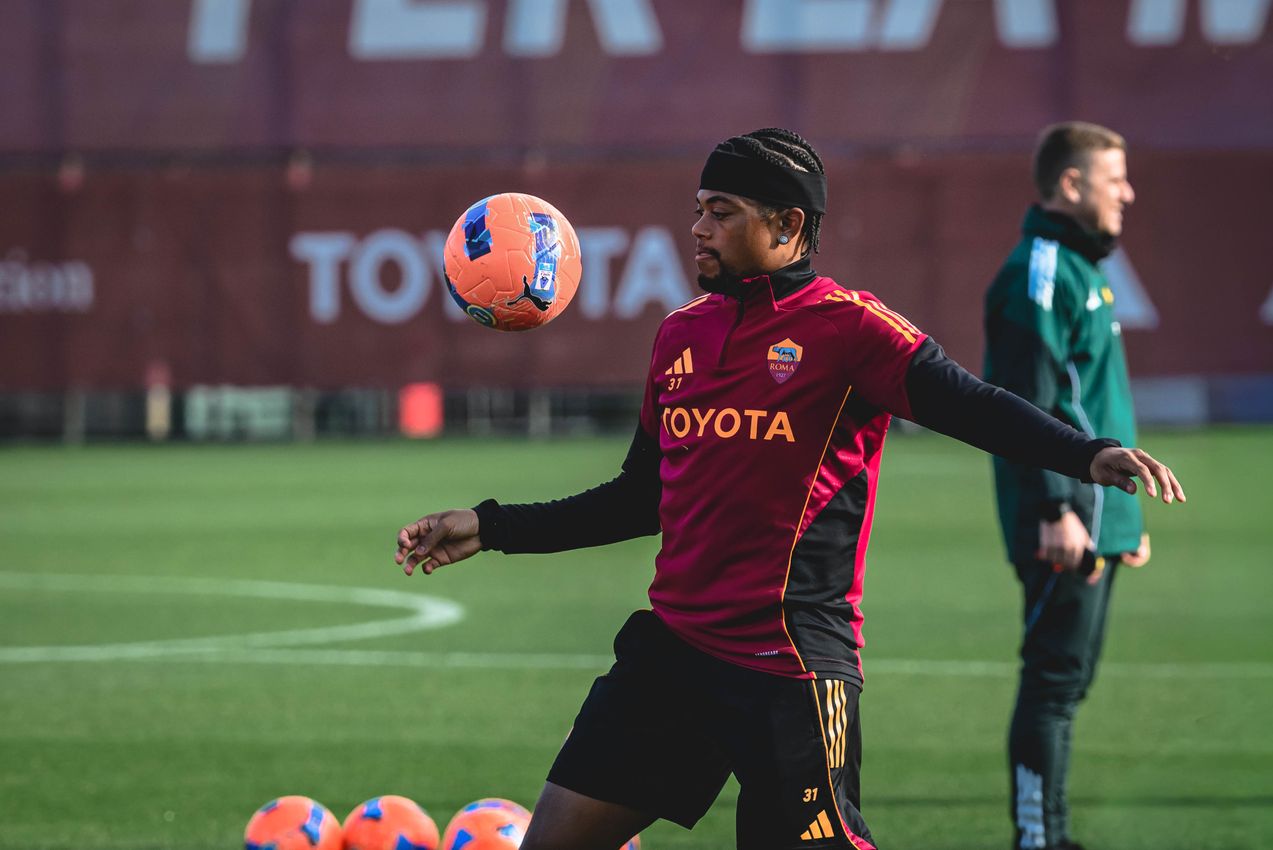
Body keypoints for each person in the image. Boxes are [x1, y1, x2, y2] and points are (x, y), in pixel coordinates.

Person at [396, 128, 1184, 850]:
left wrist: (1086, 455)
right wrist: (490, 526)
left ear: (787, 226)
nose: (698, 229)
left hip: (790, 671)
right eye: (698, 209)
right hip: (671, 657)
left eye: (722, 212)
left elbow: (970, 403)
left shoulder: (850, 329)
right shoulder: (681, 334)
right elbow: (643, 499)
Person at [983, 121, 1151, 850]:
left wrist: (1121, 522)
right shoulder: (1039, 273)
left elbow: (1093, 402)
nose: (1128, 192)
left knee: (1068, 684)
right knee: (1052, 685)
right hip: (1063, 516)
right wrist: (1056, 507)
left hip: (1095, 516)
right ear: (1071, 184)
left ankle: (1049, 836)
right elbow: (1024, 405)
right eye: (1114, 178)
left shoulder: (1083, 268)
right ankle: (1036, 840)